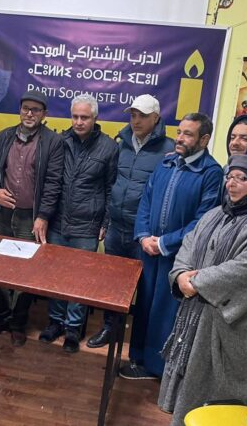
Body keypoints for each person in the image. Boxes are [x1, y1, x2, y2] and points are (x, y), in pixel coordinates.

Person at [158, 155, 247, 425]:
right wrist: (181, 275)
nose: (232, 184)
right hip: (198, 316)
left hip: (234, 328)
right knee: (190, 390)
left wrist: (196, 282)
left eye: (242, 179)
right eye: (230, 177)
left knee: (217, 400)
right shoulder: (215, 215)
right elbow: (188, 245)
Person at [120, 113, 222, 380]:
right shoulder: (166, 163)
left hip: (178, 257)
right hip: (149, 251)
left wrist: (165, 243)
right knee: (143, 305)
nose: (180, 138)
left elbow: (203, 221)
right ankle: (136, 358)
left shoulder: (211, 173)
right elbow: (146, 201)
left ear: (204, 140)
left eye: (188, 134)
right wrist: (144, 236)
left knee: (164, 312)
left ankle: (157, 368)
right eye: (179, 132)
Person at [86, 94, 174, 349]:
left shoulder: (168, 149)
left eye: (143, 116)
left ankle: (140, 341)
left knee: (145, 289)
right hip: (116, 227)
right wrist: (106, 221)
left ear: (156, 118)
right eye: (133, 115)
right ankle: (109, 328)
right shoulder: (122, 143)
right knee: (111, 283)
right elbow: (111, 184)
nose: (136, 121)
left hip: (143, 232)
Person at [38, 93, 118, 353]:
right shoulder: (61, 142)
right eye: (75, 116)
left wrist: (106, 220)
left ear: (95, 118)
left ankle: (73, 328)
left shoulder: (108, 147)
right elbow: (52, 182)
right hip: (59, 221)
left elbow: (111, 188)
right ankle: (55, 322)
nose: (79, 122)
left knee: (80, 278)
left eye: (84, 117)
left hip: (87, 224)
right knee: (56, 275)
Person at [0, 90, 63, 346]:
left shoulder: (52, 142)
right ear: (19, 110)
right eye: (26, 108)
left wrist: (43, 216)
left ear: (44, 114)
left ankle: (18, 322)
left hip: (30, 218)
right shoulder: (4, 136)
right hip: (2, 214)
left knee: (25, 272)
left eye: (36, 110)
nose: (30, 113)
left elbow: (53, 183)